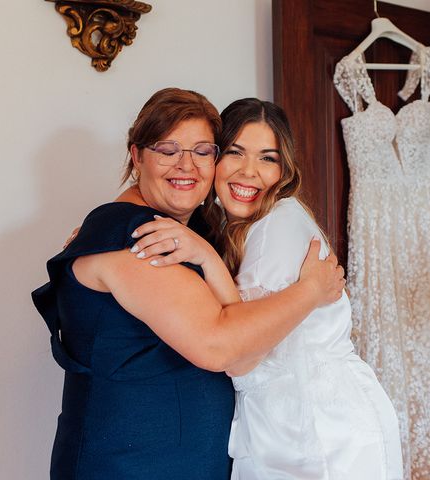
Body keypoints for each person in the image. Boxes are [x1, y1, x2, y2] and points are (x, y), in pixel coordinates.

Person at [32, 88, 345, 480]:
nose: (187, 166)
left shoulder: (186, 234)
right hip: (128, 467)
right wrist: (311, 291)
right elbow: (221, 349)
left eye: (203, 151)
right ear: (137, 156)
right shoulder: (138, 236)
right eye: (168, 150)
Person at [130, 98, 404, 479]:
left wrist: (207, 258)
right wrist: (102, 227)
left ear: (284, 169)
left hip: (318, 432)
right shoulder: (232, 229)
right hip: (289, 422)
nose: (249, 173)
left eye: (267, 159)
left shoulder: (277, 225)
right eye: (236, 153)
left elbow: (242, 357)